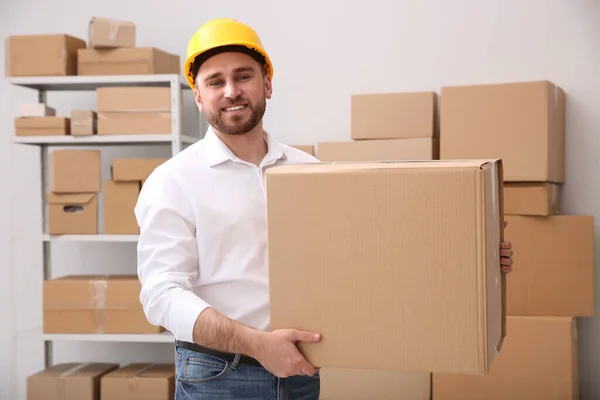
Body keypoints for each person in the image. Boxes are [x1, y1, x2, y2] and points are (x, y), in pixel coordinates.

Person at [135, 18, 514, 400]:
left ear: (267, 83)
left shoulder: (307, 171)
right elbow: (161, 295)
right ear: (198, 96)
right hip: (219, 375)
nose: (231, 90)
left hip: (301, 372)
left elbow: (361, 258)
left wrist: (476, 259)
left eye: (243, 76)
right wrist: (259, 345)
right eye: (215, 81)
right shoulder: (173, 181)